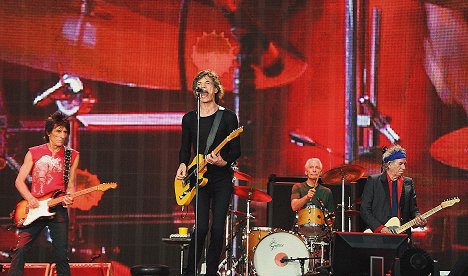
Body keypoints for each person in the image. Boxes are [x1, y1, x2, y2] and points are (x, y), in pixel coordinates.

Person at [176, 70, 241, 276]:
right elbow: (185, 148)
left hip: (221, 178)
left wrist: (223, 161)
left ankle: (212, 271)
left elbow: (236, 150)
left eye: (207, 83)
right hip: (198, 178)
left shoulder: (228, 117)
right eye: (199, 84)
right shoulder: (189, 119)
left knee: (217, 228)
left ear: (215, 89)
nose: (202, 87)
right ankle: (190, 271)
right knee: (201, 227)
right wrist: (182, 164)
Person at [9, 111, 79, 276]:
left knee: (61, 255)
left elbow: (71, 184)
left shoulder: (72, 155)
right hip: (34, 208)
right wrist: (31, 199)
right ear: (48, 132)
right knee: (21, 249)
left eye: (65, 132)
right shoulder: (34, 152)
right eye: (58, 131)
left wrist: (70, 197)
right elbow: (19, 181)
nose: (62, 136)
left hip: (58, 208)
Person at [360, 145, 426, 236]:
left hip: (402, 235)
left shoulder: (408, 183)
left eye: (404, 164)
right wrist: (380, 228)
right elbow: (365, 210)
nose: (404, 167)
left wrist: (418, 217)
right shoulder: (374, 181)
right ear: (390, 164)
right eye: (400, 164)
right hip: (379, 235)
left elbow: (413, 209)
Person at [291, 158, 335, 229]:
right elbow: (294, 206)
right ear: (306, 172)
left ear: (320, 173)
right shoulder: (298, 187)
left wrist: (330, 221)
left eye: (317, 168)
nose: (314, 170)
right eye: (311, 167)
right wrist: (307, 197)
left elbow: (331, 216)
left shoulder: (327, 191)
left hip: (320, 231)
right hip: (300, 229)